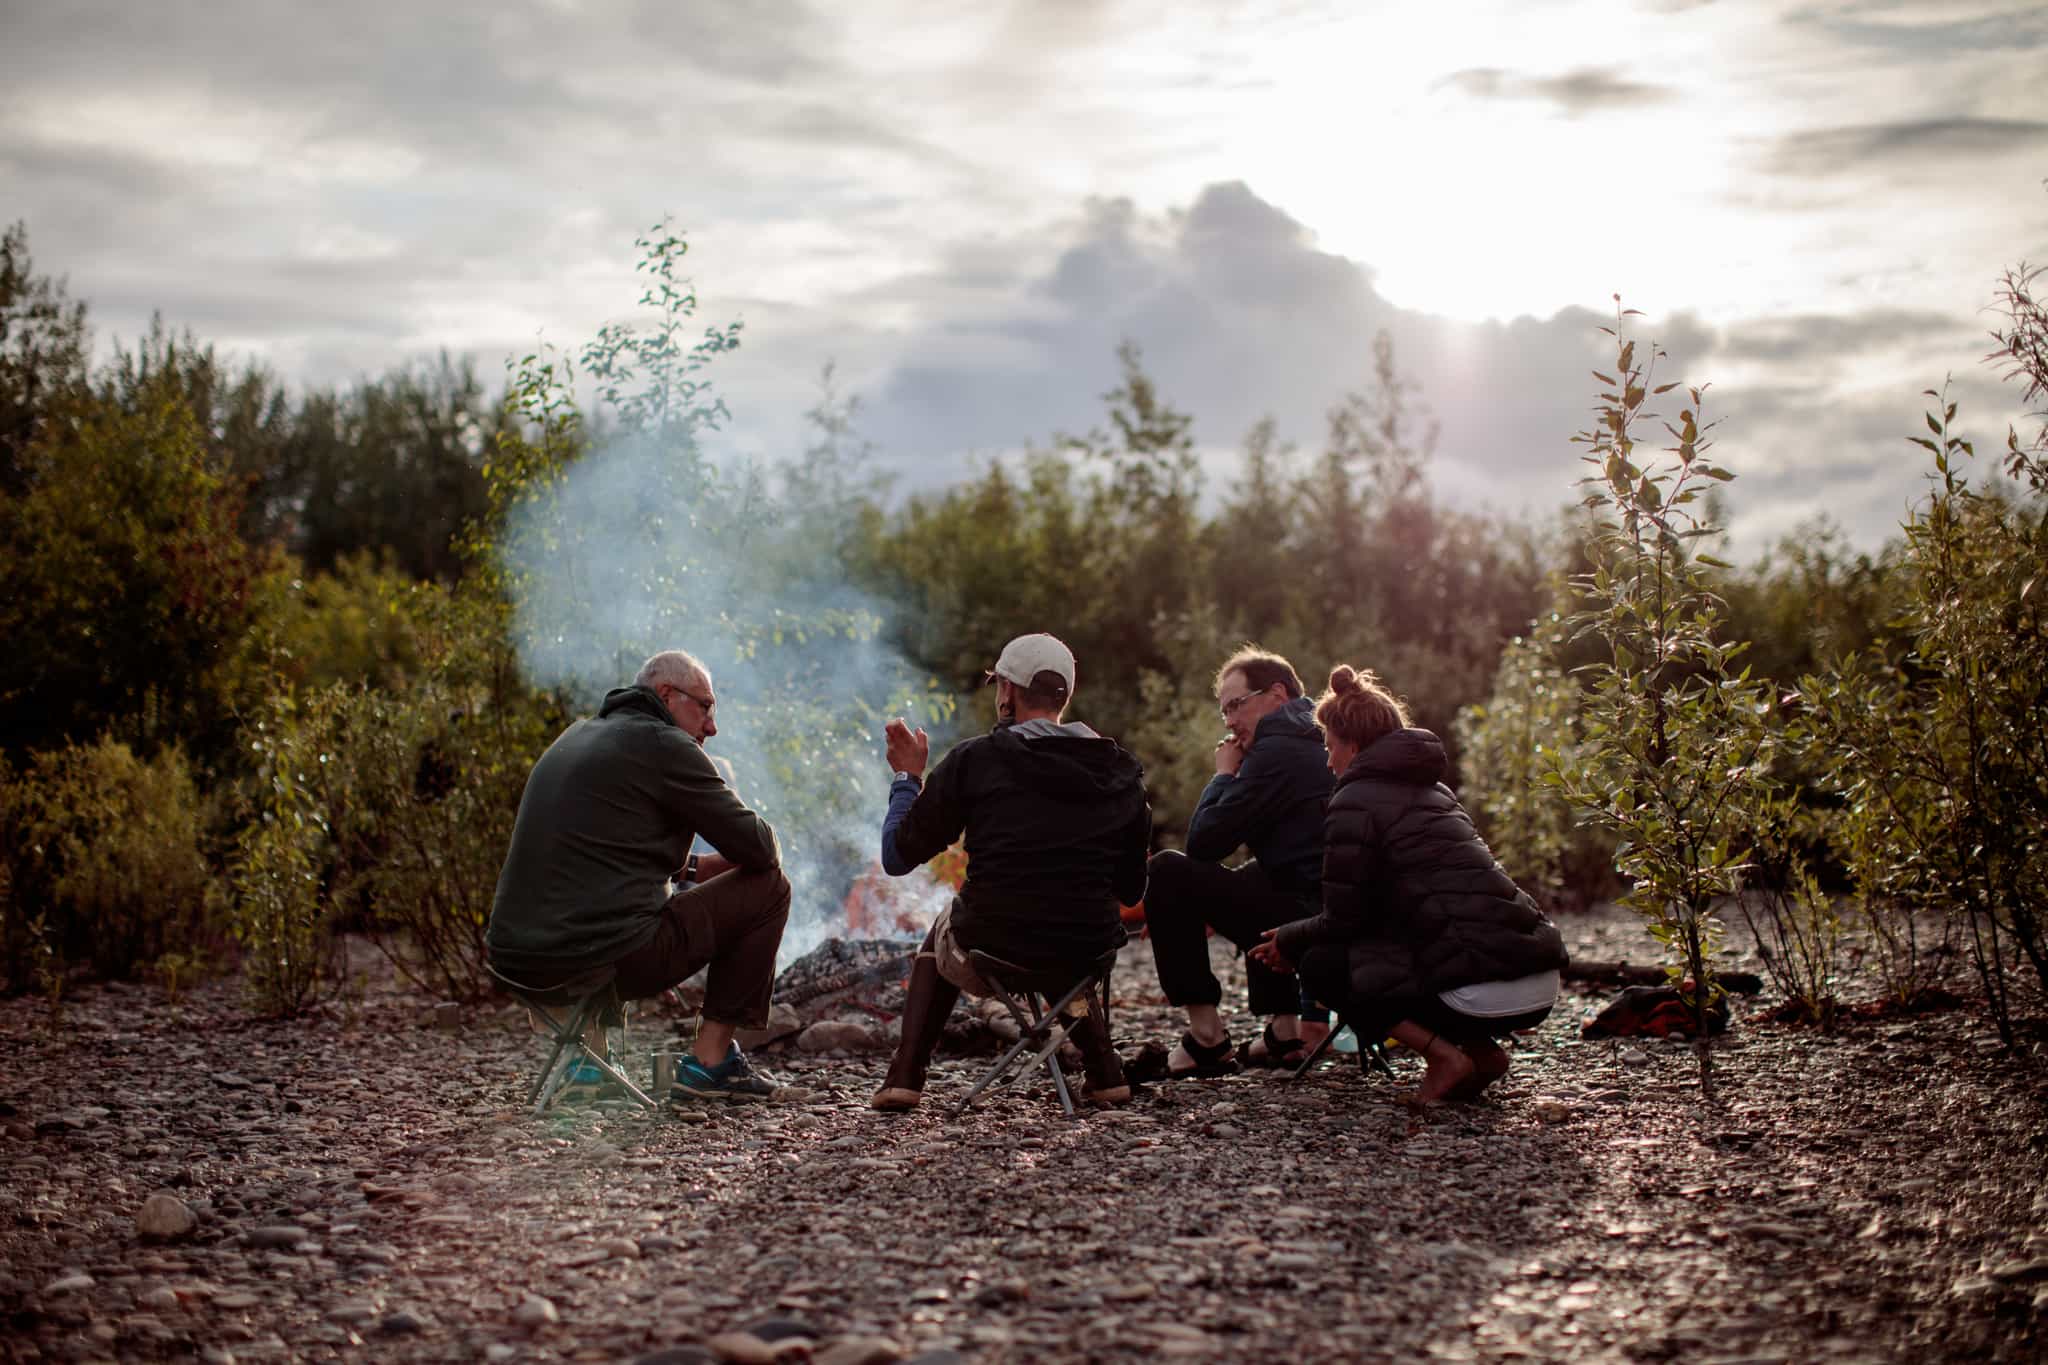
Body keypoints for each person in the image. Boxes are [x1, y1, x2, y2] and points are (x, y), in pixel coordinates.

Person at [1250, 666, 1568, 1105]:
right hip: (1534, 978)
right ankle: (1483, 1055)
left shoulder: (1354, 800)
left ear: (1355, 746)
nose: (1327, 761)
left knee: (1322, 963)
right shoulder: (1436, 792)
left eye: (1329, 747)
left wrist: (1290, 939)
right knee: (1413, 950)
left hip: (1480, 986)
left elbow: (1346, 918)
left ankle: (1443, 1059)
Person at [486, 649, 792, 1101]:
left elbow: (602, 854)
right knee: (770, 888)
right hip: (597, 959)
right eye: (705, 707)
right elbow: (761, 849)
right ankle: (711, 1064)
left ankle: (586, 1063)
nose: (712, 727)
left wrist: (691, 867)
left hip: (515, 960)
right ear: (667, 695)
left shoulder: (578, 735)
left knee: (607, 910)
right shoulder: (665, 744)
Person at [870, 632, 1150, 1111]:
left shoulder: (975, 761)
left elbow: (897, 858)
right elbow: (1130, 889)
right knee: (1065, 924)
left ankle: (906, 1074)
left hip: (993, 946)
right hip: (1087, 950)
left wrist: (907, 779)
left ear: (1007, 690)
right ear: (1065, 694)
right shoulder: (1120, 772)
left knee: (946, 923)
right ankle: (1105, 1070)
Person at [1144, 646, 1334, 1077]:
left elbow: (1204, 843)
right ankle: (1284, 1032)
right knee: (1261, 875)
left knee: (1168, 872)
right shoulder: (1320, 738)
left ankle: (1207, 1039)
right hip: (1331, 906)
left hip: (1313, 920)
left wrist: (1223, 774)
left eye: (1236, 706)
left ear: (1278, 695)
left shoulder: (1276, 751)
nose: (1229, 721)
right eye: (1223, 711)